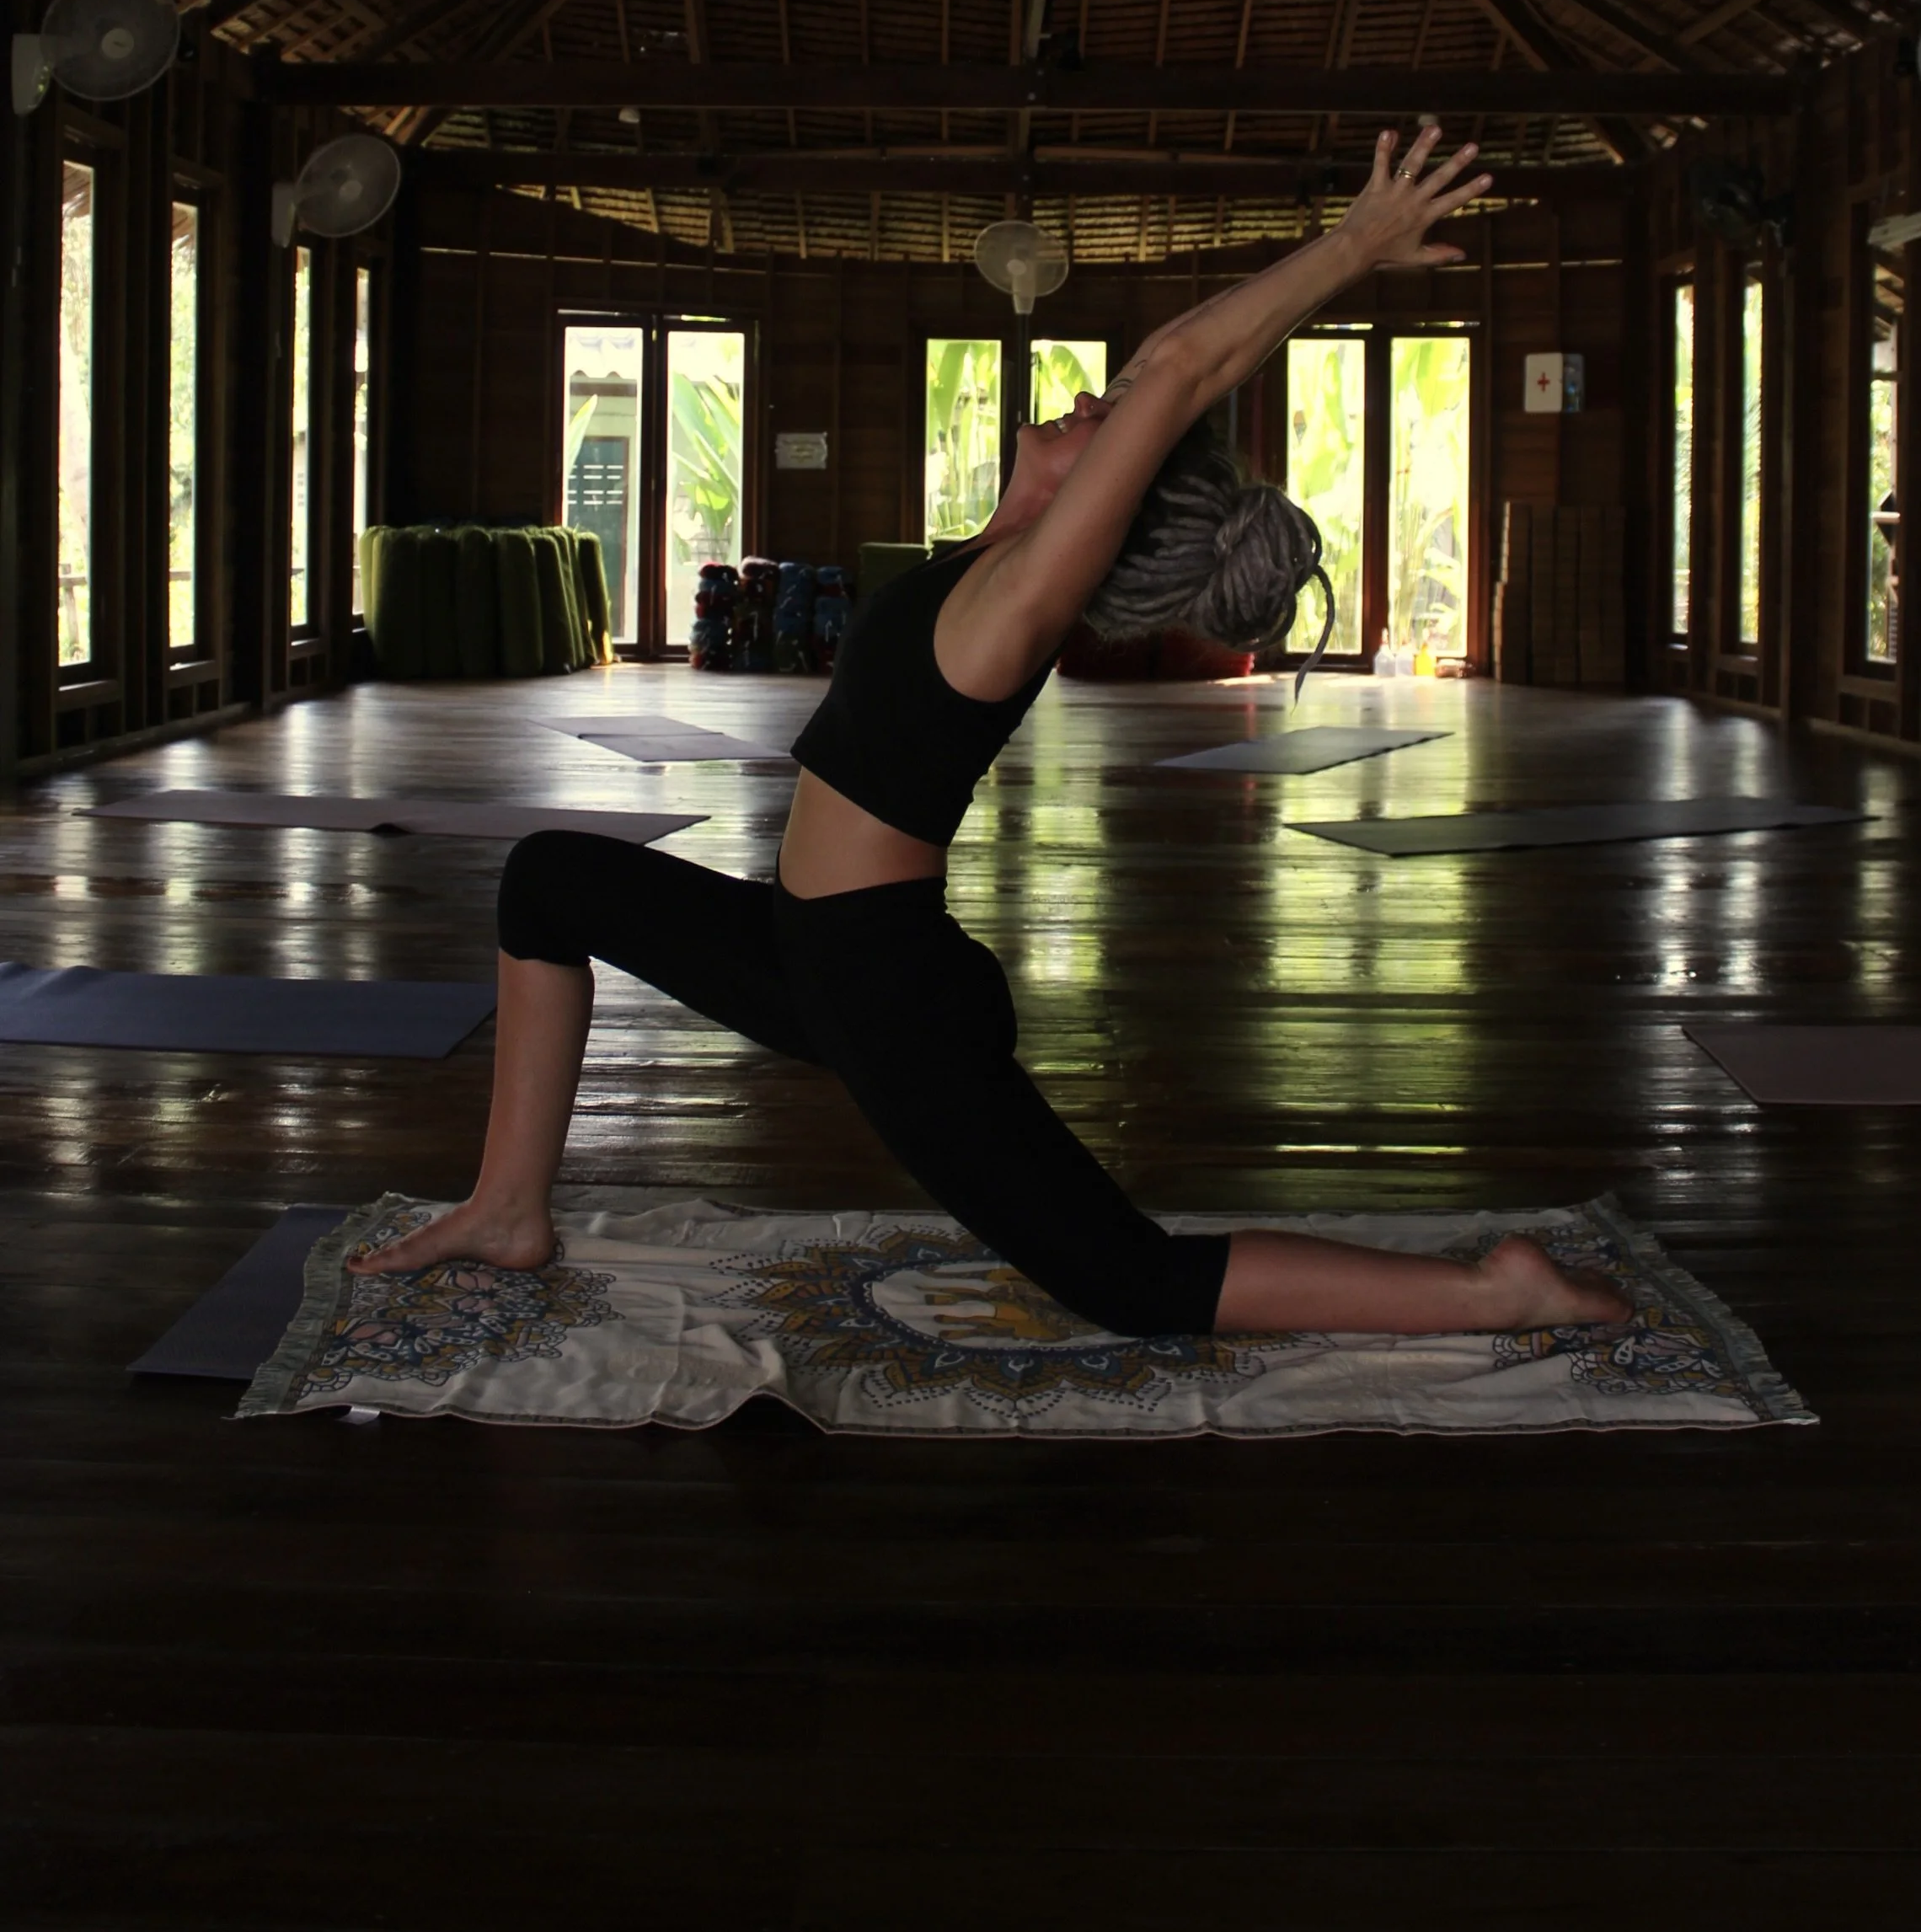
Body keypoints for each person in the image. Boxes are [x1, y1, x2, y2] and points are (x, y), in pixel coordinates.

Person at [355, 127, 1628, 1338]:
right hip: (810, 945)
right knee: (548, 882)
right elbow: (1184, 369)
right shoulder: (993, 560)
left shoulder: (1017, 606)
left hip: (880, 988)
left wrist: (1354, 244)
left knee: (1124, 1280)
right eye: (1099, 408)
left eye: (1102, 428)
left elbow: (1182, 368)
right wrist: (1258, 325)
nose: (1089, 401)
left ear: (1105, 509)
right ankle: (509, 1206)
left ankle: (1492, 1293)